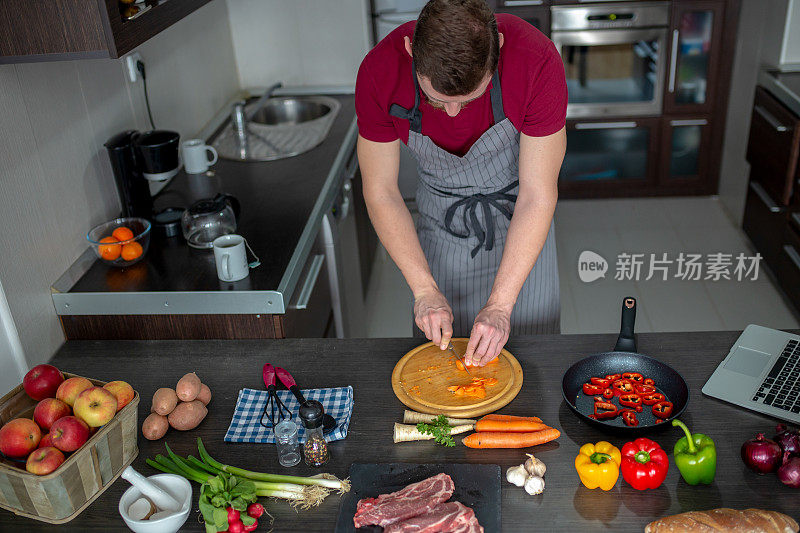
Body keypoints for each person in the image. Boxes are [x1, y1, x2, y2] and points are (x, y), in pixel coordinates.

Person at [355, 0, 566, 366]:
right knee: (441, 364)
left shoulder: (537, 59)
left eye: (468, 99)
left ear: (497, 48)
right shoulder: (379, 70)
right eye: (437, 101)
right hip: (440, 228)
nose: (452, 113)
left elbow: (538, 193)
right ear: (410, 51)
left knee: (532, 364)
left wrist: (501, 305)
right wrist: (424, 291)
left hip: (521, 219)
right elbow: (381, 192)